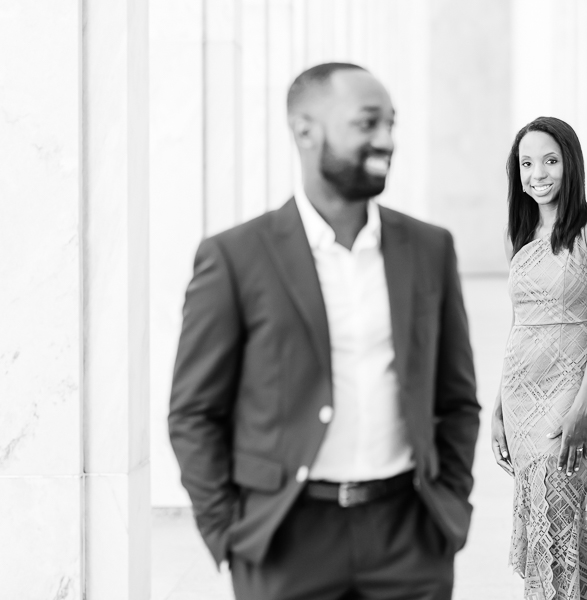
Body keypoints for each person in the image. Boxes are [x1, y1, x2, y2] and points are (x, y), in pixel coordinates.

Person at [169, 62, 480, 600]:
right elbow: (194, 411)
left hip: (409, 535)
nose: (387, 139)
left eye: (391, 123)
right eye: (367, 123)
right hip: (287, 541)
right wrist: (228, 534)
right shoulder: (236, 257)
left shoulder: (430, 249)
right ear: (305, 129)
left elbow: (456, 398)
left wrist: (448, 503)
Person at [491, 117, 587, 600]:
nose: (538, 174)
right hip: (522, 393)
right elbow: (518, 325)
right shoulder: (519, 233)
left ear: (570, 163)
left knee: (559, 507)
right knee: (554, 519)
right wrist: (500, 406)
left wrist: (582, 409)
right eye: (527, 163)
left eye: (549, 160)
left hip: (574, 385)